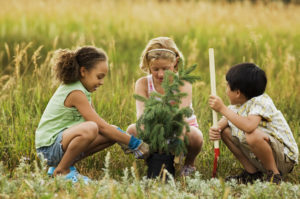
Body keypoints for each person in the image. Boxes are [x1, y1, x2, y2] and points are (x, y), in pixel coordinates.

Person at [35, 46, 149, 183]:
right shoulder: (76, 93)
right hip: (48, 149)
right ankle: (62, 171)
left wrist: (120, 137)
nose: (101, 82)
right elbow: (99, 126)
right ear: (83, 71)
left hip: (60, 145)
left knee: (110, 134)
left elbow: (104, 126)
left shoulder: (84, 91)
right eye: (99, 77)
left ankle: (57, 167)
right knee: (91, 128)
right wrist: (134, 143)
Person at [208, 63, 298, 184]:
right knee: (225, 131)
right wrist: (215, 130)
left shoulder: (261, 101)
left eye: (227, 87)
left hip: (284, 159)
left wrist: (222, 108)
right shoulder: (236, 106)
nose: (226, 91)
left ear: (238, 93)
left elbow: (249, 126)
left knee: (251, 134)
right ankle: (252, 174)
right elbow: (223, 123)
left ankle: (274, 176)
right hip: (264, 157)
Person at [126, 37, 203, 176]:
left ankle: (188, 163)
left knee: (196, 136)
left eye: (165, 69)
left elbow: (182, 116)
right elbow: (142, 115)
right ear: (148, 65)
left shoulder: (183, 83)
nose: (160, 74)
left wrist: (178, 145)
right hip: (154, 128)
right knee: (131, 131)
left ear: (175, 63)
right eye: (155, 69)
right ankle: (151, 159)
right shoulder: (143, 83)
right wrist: (151, 132)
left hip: (182, 129)